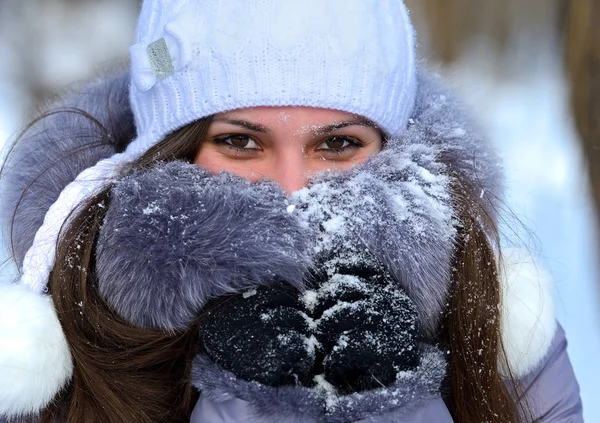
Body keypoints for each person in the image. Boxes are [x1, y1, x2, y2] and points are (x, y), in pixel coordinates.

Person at [0, 0, 583, 422]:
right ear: (172, 150)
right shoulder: (59, 350)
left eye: (336, 144)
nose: (290, 188)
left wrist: (389, 403)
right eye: (240, 142)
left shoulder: (497, 328)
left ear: (392, 148)